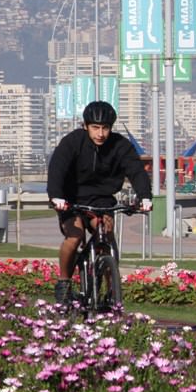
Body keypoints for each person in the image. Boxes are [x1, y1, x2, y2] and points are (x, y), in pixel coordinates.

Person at [47, 101, 153, 303]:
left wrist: (145, 197)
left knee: (106, 232)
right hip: (72, 199)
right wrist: (56, 196)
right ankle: (63, 281)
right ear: (85, 126)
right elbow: (57, 169)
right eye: (95, 128)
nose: (101, 134)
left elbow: (136, 171)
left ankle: (112, 286)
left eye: (105, 128)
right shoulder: (72, 142)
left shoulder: (120, 145)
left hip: (102, 200)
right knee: (75, 236)